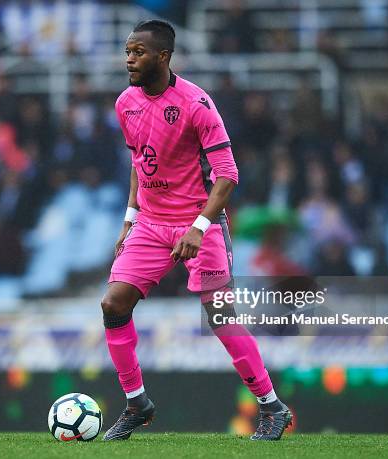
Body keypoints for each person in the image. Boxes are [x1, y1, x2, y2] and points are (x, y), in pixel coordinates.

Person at [101, 20, 292, 441]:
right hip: (150, 223)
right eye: (127, 50)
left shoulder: (196, 104)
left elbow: (227, 174)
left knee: (221, 317)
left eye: (138, 51)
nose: (129, 58)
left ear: (163, 56)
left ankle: (272, 408)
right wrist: (129, 220)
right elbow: (140, 161)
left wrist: (199, 227)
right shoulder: (125, 103)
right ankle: (137, 404)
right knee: (114, 304)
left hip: (197, 221)